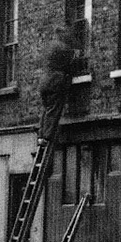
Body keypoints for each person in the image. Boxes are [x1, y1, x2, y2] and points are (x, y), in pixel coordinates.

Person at [39, 22, 83, 153]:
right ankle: (47, 137)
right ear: (62, 35)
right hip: (55, 81)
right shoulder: (64, 48)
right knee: (53, 110)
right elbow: (72, 64)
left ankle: (41, 136)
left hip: (44, 82)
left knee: (46, 109)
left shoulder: (49, 46)